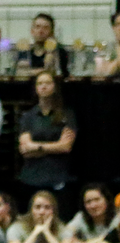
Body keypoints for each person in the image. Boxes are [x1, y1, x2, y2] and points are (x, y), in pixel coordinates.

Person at [17, 71, 77, 218]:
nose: (43, 86)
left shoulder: (66, 115)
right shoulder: (28, 117)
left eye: (47, 83)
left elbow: (66, 147)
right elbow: (25, 149)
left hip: (58, 177)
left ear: (54, 87)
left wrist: (36, 147)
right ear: (36, 88)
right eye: (40, 83)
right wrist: (55, 146)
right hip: (31, 178)